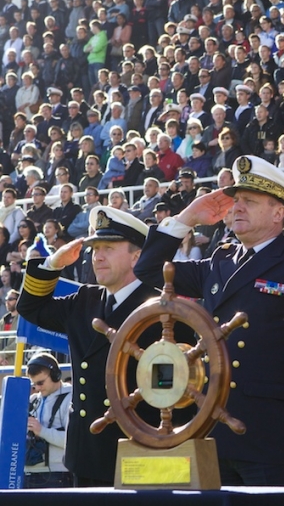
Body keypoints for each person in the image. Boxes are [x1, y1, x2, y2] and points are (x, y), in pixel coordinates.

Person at [133, 155, 284, 487]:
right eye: (236, 200)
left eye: (249, 201)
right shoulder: (219, 260)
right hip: (210, 429)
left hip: (270, 435)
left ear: (278, 213)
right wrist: (187, 218)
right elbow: (147, 270)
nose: (237, 207)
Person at [16, 206, 188, 486]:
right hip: (85, 453)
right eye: (95, 248)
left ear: (137, 256)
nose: (98, 256)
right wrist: (52, 265)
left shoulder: (161, 309)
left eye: (108, 247)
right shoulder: (85, 300)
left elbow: (175, 394)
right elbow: (31, 308)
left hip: (137, 453)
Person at [24, 352, 72, 489]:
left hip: (58, 474)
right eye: (34, 385)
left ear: (55, 375)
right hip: (29, 471)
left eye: (40, 383)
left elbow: (73, 441)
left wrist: (41, 431)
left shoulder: (71, 398)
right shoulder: (33, 400)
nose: (37, 388)